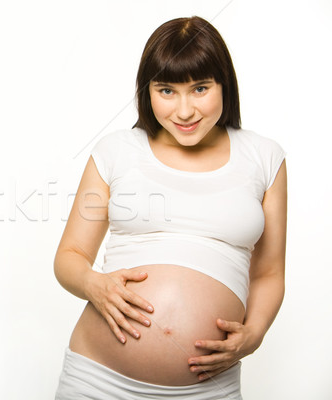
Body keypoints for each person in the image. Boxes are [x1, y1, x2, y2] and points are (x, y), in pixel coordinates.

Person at [53, 16, 287, 400]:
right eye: (166, 90)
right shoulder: (116, 151)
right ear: (147, 92)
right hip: (97, 381)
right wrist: (95, 285)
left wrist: (254, 333)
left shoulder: (264, 157)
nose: (184, 110)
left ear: (223, 84)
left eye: (199, 88)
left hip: (209, 388)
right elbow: (69, 257)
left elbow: (269, 272)